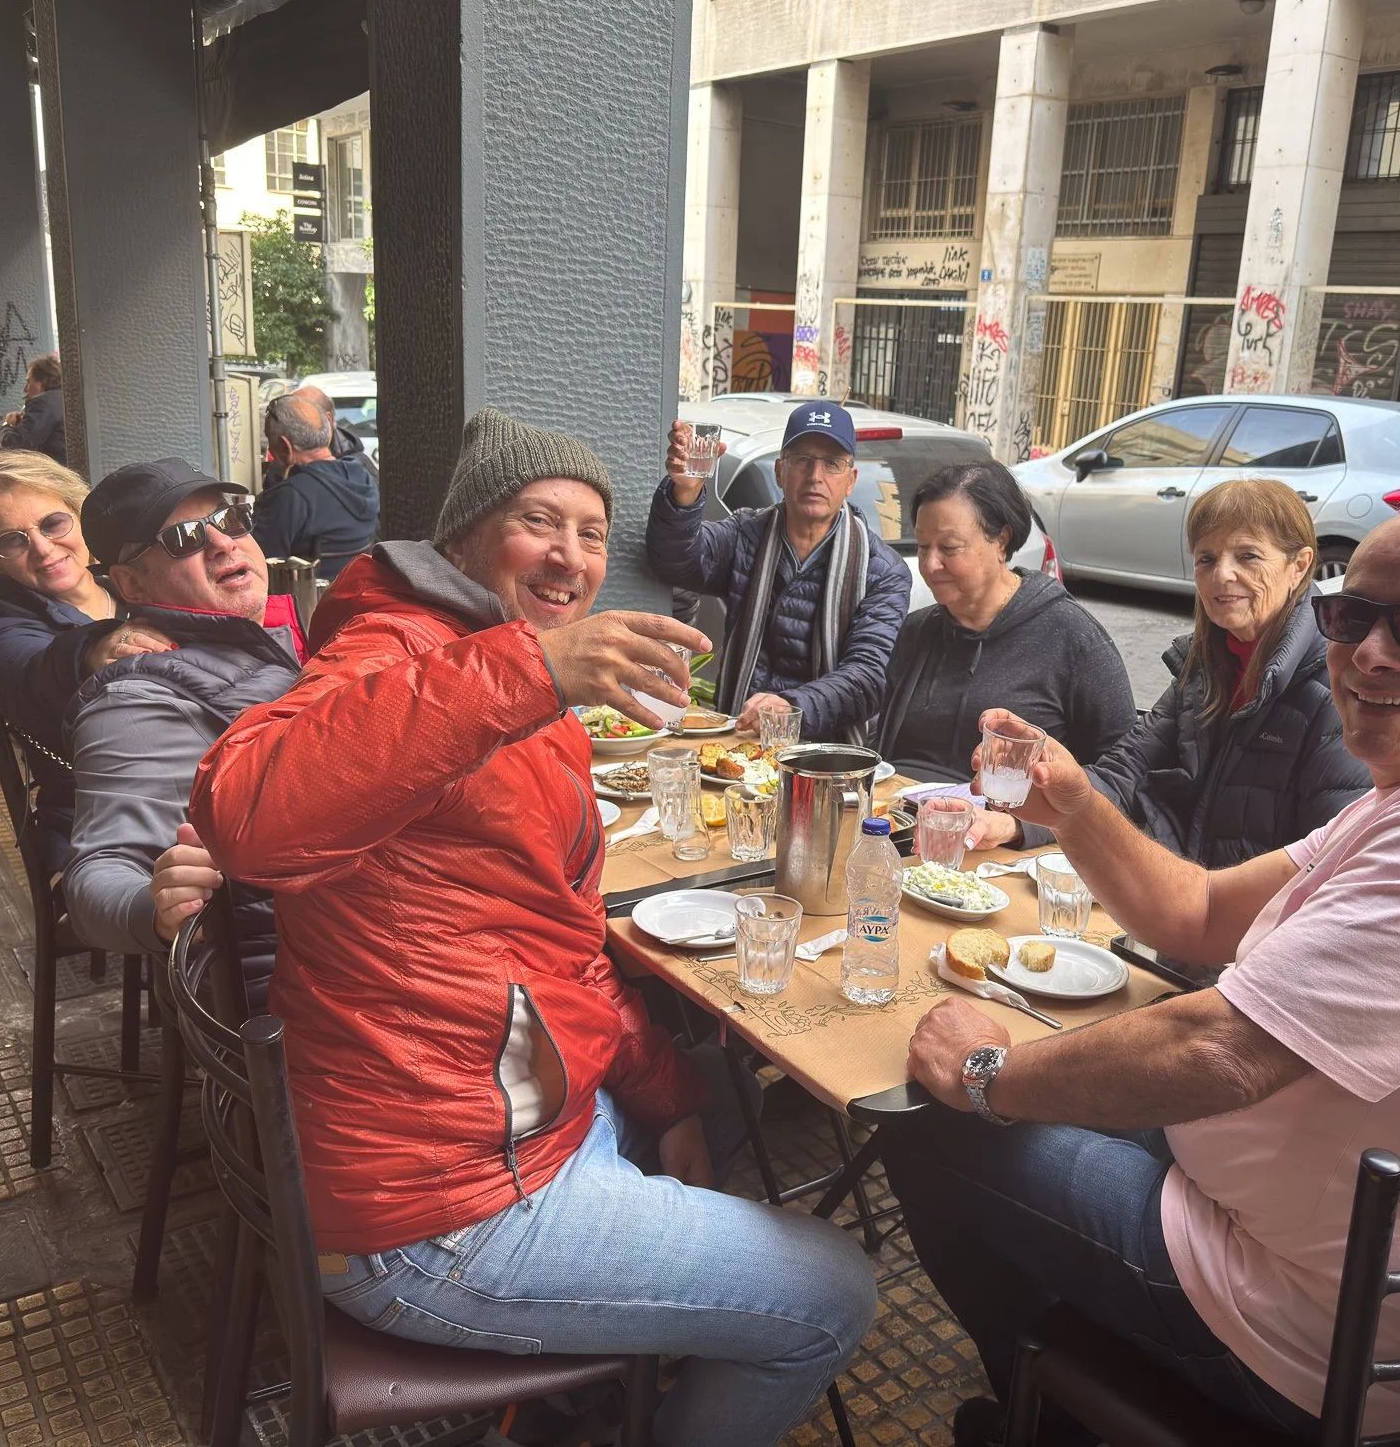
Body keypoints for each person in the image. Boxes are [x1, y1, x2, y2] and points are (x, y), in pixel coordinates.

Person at [887, 503, 1400, 1444]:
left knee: (929, 1127)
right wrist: (1075, 805)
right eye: (1352, 617)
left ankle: (1049, 1406)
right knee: (1053, 1077)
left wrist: (986, 1077)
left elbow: (1218, 1050)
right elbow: (1199, 911)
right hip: (1288, 1237)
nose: (1371, 653)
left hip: (1305, 1332)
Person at [189, 407, 876, 1447]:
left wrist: (666, 1095)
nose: (570, 556)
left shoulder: (474, 656)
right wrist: (536, 671)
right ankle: (612, 1385)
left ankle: (580, 1398)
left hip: (480, 1120)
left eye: (592, 533)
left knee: (721, 1088)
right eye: (536, 522)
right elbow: (245, 814)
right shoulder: (400, 650)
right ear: (462, 538)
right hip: (435, 1210)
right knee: (834, 1291)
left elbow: (555, 948)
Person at [62, 459, 303, 1000]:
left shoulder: (279, 634)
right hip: (289, 991)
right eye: (185, 537)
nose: (223, 543)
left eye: (232, 518)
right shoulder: (136, 701)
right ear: (130, 582)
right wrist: (155, 904)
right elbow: (98, 871)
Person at [1084, 477, 1370, 868]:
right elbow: (1128, 769)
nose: (1222, 576)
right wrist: (1026, 812)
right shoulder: (1205, 666)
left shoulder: (1336, 684)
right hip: (1188, 902)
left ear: (1299, 567)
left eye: (1248, 556)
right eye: (1207, 559)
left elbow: (1328, 860)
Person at [874, 459, 1134, 848]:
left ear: (1001, 541)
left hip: (1004, 856)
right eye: (923, 546)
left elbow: (1126, 779)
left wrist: (1019, 828)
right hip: (903, 836)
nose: (929, 565)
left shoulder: (1072, 638)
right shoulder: (916, 632)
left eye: (949, 548)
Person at [0, 453, 170, 862]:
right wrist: (91, 652)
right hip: (101, 831)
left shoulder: (128, 584)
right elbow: (31, 673)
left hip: (186, 796)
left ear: (80, 516)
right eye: (12, 540)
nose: (43, 549)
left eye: (53, 524)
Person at [646, 400, 911, 741]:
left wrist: (789, 707)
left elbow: (868, 676)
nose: (816, 476)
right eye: (802, 460)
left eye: (832, 463)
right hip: (739, 742)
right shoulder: (747, 534)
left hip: (825, 755)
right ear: (780, 472)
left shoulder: (884, 571)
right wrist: (685, 492)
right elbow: (676, 560)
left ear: (851, 480)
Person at [251, 390, 379, 579]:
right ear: (327, 435)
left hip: (309, 603)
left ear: (285, 446)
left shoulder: (290, 497)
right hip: (358, 593)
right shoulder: (362, 475)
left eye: (271, 443)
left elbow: (256, 565)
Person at [0, 355, 66, 462]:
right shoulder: (62, 398)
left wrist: (7, 425)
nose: (25, 389)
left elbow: (17, 446)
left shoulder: (42, 403)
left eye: (29, 381)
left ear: (43, 382)